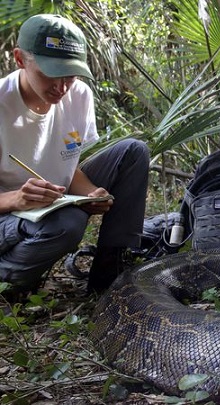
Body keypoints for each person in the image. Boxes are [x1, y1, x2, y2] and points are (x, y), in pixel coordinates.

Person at [0, 14, 150, 298]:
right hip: (8, 216)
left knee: (133, 151)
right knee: (67, 223)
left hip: (50, 201)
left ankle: (109, 276)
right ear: (20, 59)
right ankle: (9, 281)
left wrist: (92, 193)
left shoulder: (78, 95)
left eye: (69, 74)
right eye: (50, 73)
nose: (61, 87)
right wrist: (16, 199)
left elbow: (68, 167)